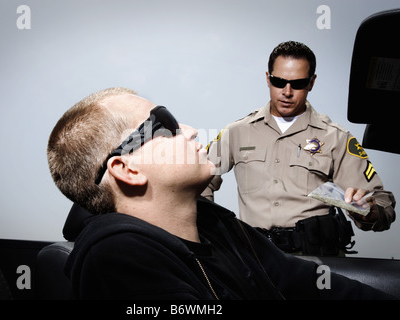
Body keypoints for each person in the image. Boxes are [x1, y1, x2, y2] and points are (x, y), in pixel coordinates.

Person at [47, 87, 393, 299]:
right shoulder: (118, 256)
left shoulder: (219, 226)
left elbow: (298, 280)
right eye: (163, 127)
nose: (192, 131)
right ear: (126, 170)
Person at [201, 41, 396, 255]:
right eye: (278, 82)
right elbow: (197, 180)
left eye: (298, 83)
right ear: (268, 79)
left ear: (311, 83)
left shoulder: (336, 138)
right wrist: (213, 230)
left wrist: (367, 210)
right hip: (255, 261)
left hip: (316, 263)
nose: (287, 92)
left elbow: (383, 204)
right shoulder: (237, 132)